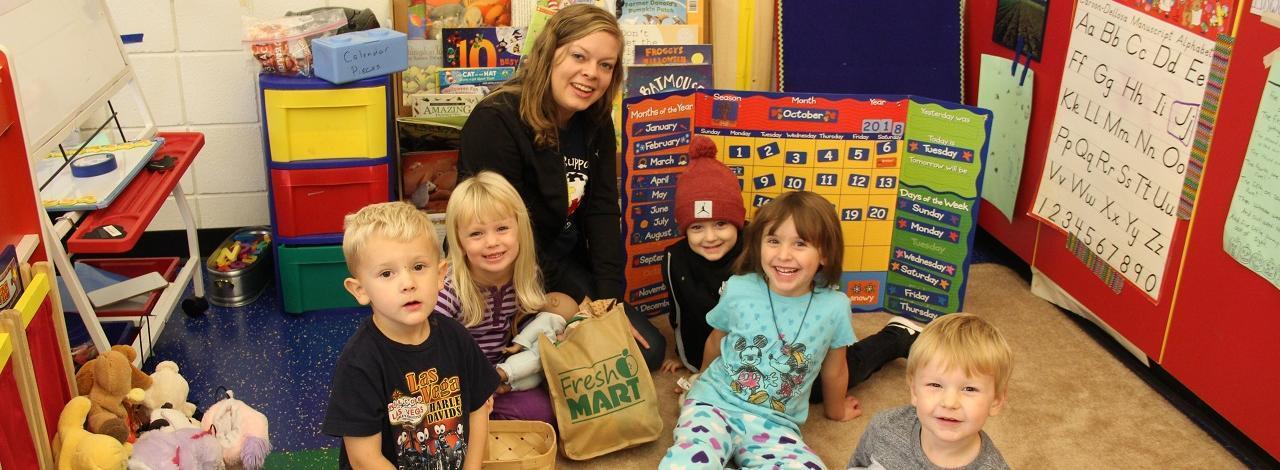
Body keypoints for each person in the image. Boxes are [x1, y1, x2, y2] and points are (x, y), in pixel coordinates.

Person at [457, 3, 665, 369]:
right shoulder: (496, 120)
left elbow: (602, 212)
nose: (591, 74)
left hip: (563, 262)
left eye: (605, 65)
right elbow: (509, 234)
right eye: (579, 56)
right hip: (501, 271)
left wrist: (607, 303)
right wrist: (579, 303)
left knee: (645, 351)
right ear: (550, 53)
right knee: (514, 354)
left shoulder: (596, 121)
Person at [663, 135, 923, 405]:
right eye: (697, 227)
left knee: (815, 387)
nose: (710, 237)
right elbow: (688, 318)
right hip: (745, 351)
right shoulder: (678, 260)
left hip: (798, 342)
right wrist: (687, 361)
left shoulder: (764, 248)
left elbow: (824, 325)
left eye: (720, 224)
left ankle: (895, 336)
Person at [659, 191, 862, 469]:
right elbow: (716, 340)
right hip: (714, 404)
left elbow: (835, 368)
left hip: (775, 425)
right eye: (773, 241)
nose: (783, 255)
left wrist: (836, 411)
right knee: (688, 463)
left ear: (825, 252)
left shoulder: (835, 307)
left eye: (800, 243)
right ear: (759, 245)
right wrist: (699, 380)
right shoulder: (739, 288)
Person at [322, 201, 498, 470]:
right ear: (360, 290)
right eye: (386, 273)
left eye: (418, 267)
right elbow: (364, 458)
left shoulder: (456, 338)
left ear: (440, 275)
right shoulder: (360, 363)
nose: (408, 284)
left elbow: (478, 410)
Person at [433, 171, 575, 425]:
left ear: (519, 229)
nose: (492, 242)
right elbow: (430, 352)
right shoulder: (449, 290)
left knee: (543, 413)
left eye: (502, 228)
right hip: (455, 382)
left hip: (500, 378)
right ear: (458, 240)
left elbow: (523, 330)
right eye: (476, 234)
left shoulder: (526, 275)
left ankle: (484, 421)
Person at [848, 313, 1013, 470]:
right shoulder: (884, 426)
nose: (949, 403)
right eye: (935, 385)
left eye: (969, 388)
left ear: (996, 401)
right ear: (914, 391)